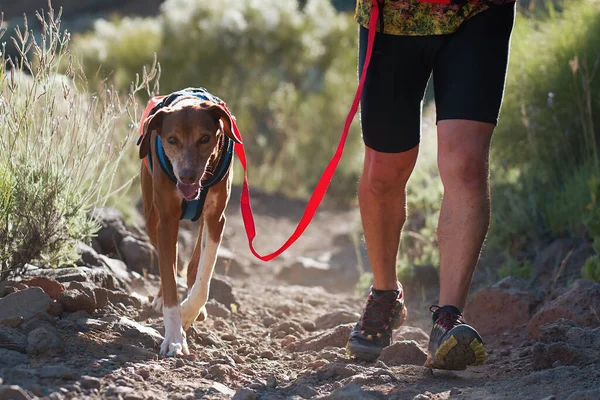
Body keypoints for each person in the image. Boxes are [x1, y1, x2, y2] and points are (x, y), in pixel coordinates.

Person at [346, 0, 517, 370]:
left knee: (466, 165)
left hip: (479, 10)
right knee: (383, 172)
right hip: (394, 16)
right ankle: (385, 293)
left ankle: (448, 320)